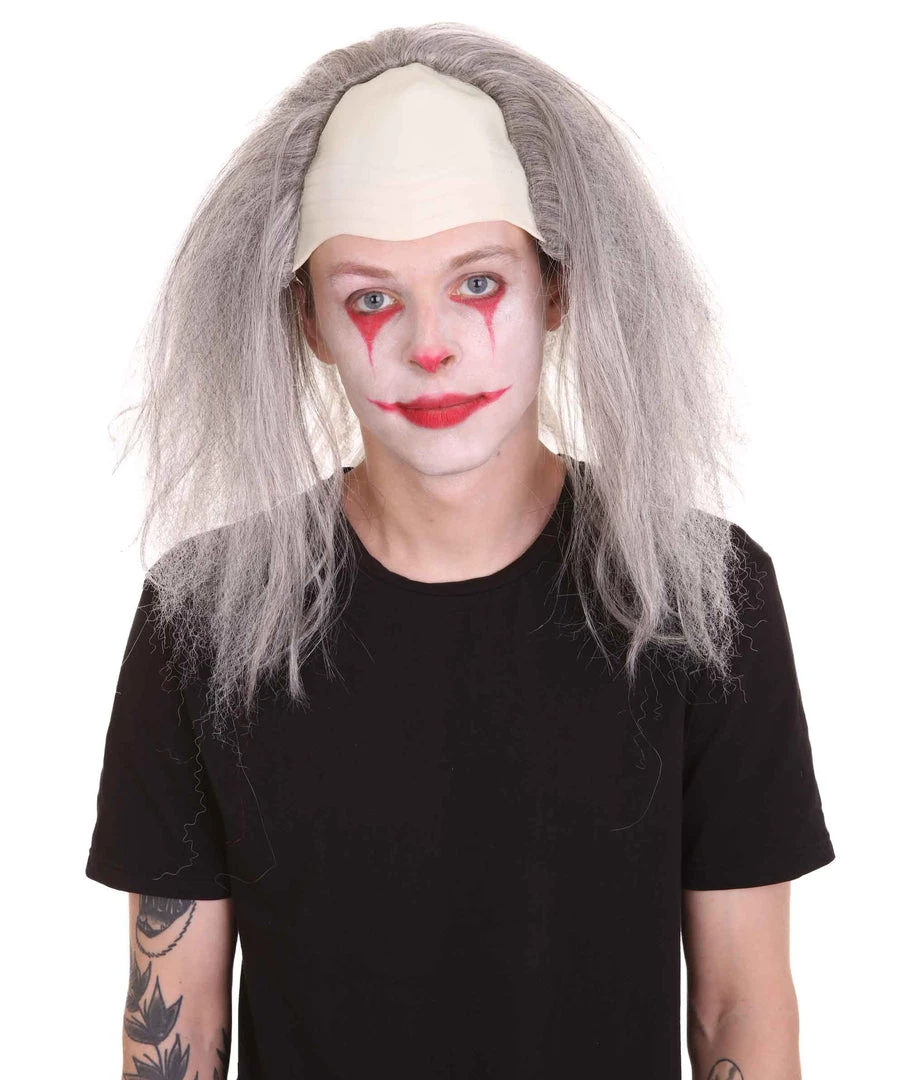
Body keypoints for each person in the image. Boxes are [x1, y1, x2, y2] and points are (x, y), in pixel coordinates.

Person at [85, 23, 835, 1080]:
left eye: (477, 283)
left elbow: (738, 1008)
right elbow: (173, 1025)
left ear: (555, 289)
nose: (428, 344)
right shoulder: (204, 619)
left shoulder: (703, 597)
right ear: (310, 323)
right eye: (371, 298)